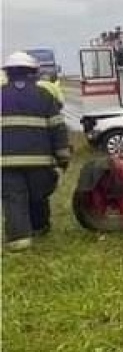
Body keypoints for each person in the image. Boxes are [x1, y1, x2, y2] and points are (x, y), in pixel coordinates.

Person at [1, 51, 71, 251]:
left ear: (8, 73)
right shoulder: (44, 96)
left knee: (14, 198)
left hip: (5, 163)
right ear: (33, 73)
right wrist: (63, 158)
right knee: (38, 195)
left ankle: (19, 240)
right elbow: (57, 128)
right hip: (40, 161)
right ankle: (40, 228)